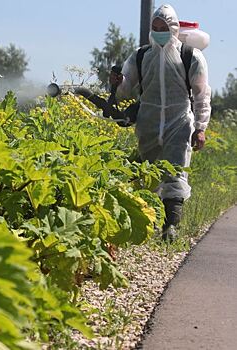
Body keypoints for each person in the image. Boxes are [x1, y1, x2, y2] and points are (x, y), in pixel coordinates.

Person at [110, 4, 211, 241]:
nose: (158, 32)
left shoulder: (190, 56)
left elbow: (201, 94)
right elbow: (125, 91)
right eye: (155, 28)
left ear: (174, 28)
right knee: (149, 176)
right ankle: (147, 227)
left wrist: (201, 128)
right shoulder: (141, 56)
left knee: (175, 173)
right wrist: (118, 81)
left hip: (180, 123)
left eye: (163, 28)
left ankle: (171, 228)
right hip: (148, 123)